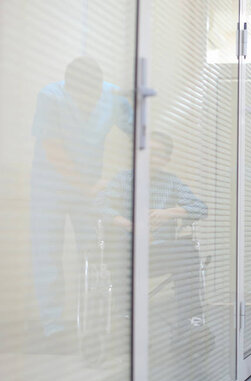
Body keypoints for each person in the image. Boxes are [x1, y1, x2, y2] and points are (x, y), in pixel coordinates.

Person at [30, 56, 133, 343]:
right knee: (48, 254)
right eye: (82, 97)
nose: (88, 103)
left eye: (93, 95)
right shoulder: (51, 97)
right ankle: (54, 327)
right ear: (69, 88)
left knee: (94, 250)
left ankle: (96, 319)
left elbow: (138, 134)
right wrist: (86, 186)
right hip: (49, 186)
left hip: (91, 186)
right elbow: (53, 149)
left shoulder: (112, 97)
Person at [98, 131, 207, 338]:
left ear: (165, 159)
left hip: (160, 254)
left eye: (156, 153)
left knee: (187, 249)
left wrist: (169, 213)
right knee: (118, 245)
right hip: (126, 252)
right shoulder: (122, 179)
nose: (149, 156)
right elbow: (100, 207)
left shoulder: (171, 182)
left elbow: (200, 208)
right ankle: (124, 318)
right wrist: (133, 226)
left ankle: (190, 324)